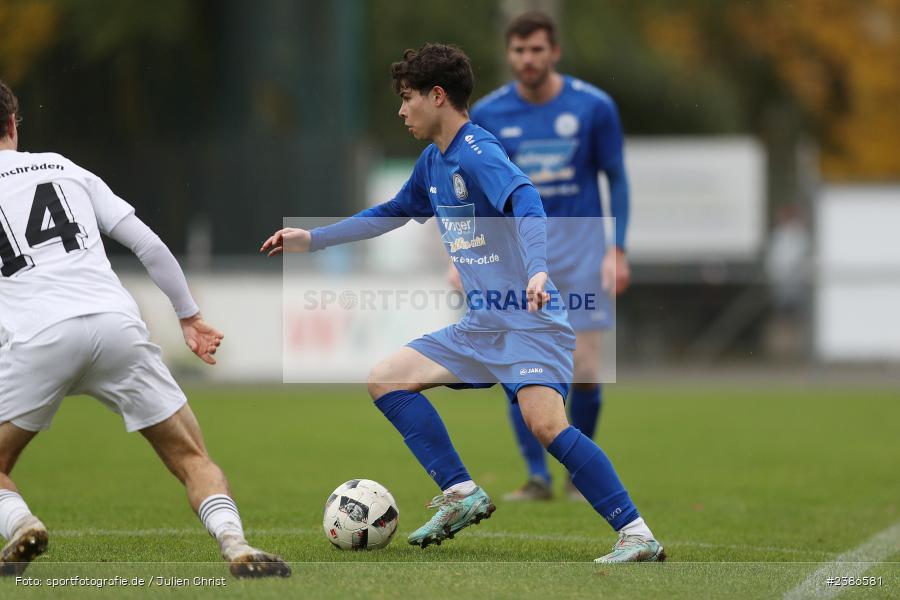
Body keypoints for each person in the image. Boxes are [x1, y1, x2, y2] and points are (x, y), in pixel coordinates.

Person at [262, 44, 663, 563]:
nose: (402, 111)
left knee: (546, 426)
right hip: (482, 325)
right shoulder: (434, 161)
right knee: (386, 378)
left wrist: (538, 267)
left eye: (408, 99)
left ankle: (637, 534)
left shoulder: (477, 151)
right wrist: (313, 240)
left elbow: (527, 199)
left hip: (527, 322)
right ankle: (459, 493)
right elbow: (391, 212)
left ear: (438, 96)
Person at [0, 80, 290, 578]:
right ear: (11, 124)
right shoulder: (63, 167)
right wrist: (188, 314)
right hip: (117, 326)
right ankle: (236, 544)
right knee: (191, 456)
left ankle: (22, 522)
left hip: (39, 338)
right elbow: (148, 244)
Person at [463, 11, 632, 501]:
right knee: (520, 367)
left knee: (582, 366)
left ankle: (579, 472)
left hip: (580, 252)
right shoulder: (490, 114)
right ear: (508, 54)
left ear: (554, 51)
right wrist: (466, 255)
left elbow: (616, 176)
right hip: (514, 256)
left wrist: (617, 249)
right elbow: (474, 192)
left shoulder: (593, 107)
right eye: (518, 50)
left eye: (537, 49)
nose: (527, 59)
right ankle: (537, 476)